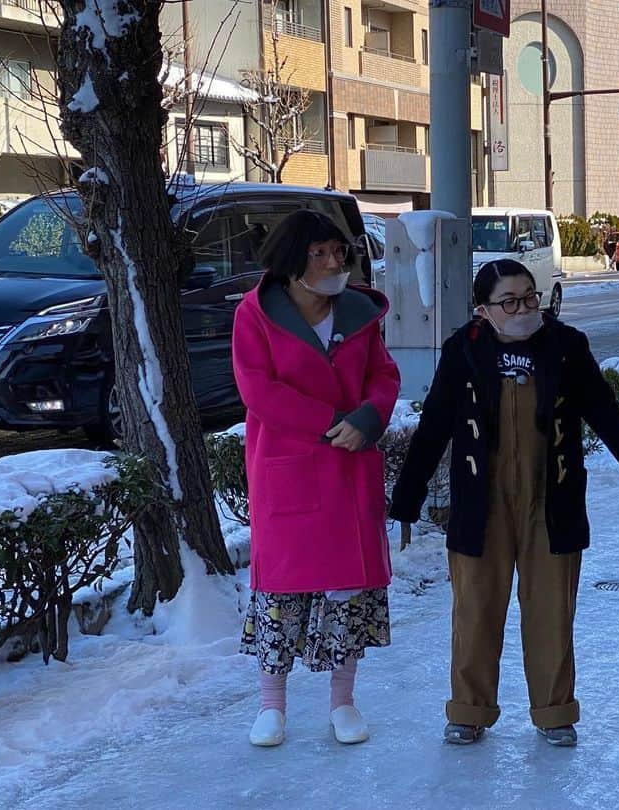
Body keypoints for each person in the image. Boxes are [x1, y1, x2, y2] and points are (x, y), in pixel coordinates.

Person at [389, 258, 619, 747]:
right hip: (481, 500)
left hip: (553, 498)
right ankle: (469, 709)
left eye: (530, 297)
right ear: (484, 310)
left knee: (550, 611)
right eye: (510, 301)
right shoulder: (463, 350)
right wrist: (407, 499)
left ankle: (554, 712)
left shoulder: (566, 347)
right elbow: (435, 425)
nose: (524, 308)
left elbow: (606, 416)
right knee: (475, 610)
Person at [232, 209, 401, 748]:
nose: (333, 263)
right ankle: (271, 705)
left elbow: (383, 374)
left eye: (339, 252)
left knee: (347, 589)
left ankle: (343, 701)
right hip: (287, 467)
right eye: (319, 253)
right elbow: (258, 390)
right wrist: (333, 423)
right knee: (281, 589)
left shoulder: (359, 312)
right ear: (291, 260)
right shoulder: (256, 315)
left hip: (350, 468)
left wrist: (370, 418)